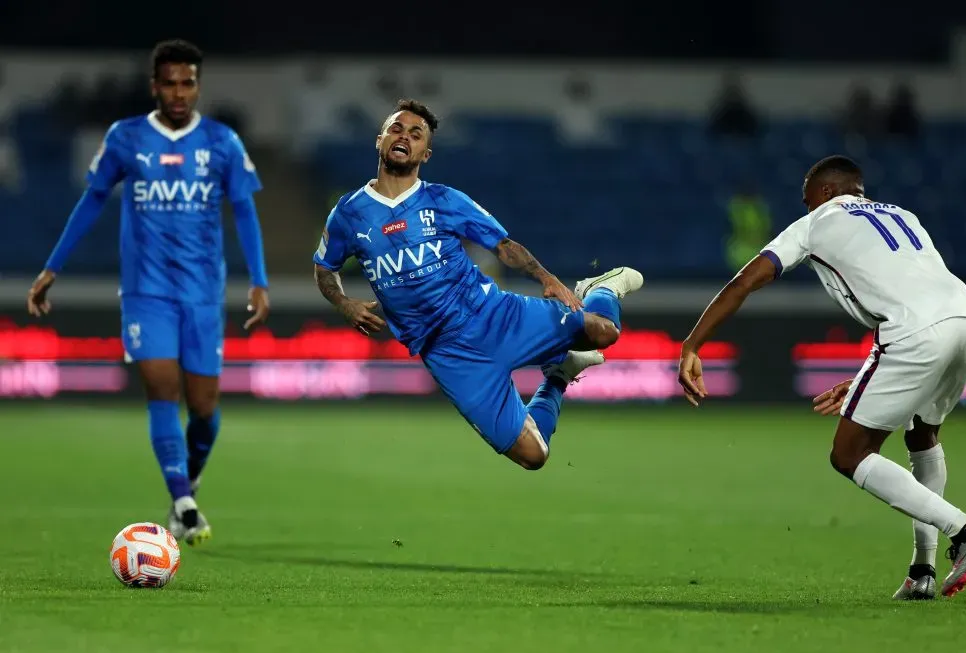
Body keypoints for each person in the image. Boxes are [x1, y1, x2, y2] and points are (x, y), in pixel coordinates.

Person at [676, 155, 966, 599]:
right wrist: (874, 373)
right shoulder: (903, 215)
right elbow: (914, 290)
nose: (806, 207)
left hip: (914, 333)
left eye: (807, 199)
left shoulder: (816, 222)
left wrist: (692, 344)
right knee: (923, 437)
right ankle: (921, 571)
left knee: (849, 454)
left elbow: (743, 283)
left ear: (826, 193)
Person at [26, 39, 270, 546]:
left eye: (188, 83)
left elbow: (244, 209)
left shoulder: (222, 142)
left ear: (196, 86)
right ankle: (182, 502)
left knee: (204, 408)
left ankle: (190, 476)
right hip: (147, 291)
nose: (180, 93)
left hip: (203, 290)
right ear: (154, 86)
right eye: (170, 83)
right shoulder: (126, 138)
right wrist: (53, 267)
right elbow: (92, 201)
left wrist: (260, 279)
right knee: (161, 386)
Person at [313, 99, 642, 469]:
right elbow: (325, 268)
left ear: (427, 152)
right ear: (380, 140)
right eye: (396, 128)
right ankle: (560, 374)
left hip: (493, 314)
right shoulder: (349, 213)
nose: (404, 136)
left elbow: (502, 246)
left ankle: (604, 287)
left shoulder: (443, 200)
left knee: (605, 332)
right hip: (449, 355)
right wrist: (344, 303)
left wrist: (546, 278)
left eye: (416, 133)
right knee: (534, 456)